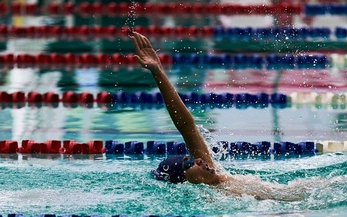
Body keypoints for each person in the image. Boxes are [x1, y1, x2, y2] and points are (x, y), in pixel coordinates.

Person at [131, 31, 305, 201]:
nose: (198, 159)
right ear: (184, 180)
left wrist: (158, 71)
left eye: (192, 158)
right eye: (190, 164)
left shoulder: (216, 177)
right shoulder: (210, 197)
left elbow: (186, 126)